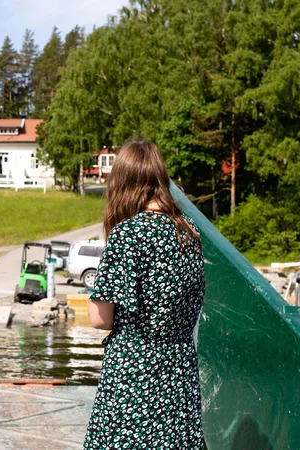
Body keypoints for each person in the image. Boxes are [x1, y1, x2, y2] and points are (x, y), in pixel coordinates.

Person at [84, 140, 206, 449]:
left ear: (122, 183)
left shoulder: (129, 233)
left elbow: (100, 319)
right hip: (179, 368)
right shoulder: (189, 230)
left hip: (134, 371)